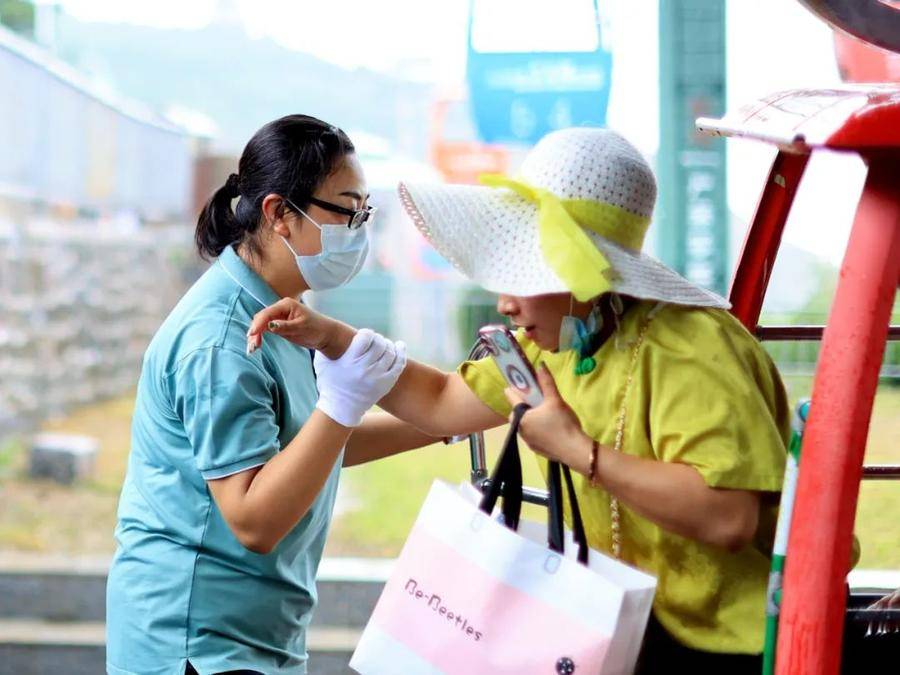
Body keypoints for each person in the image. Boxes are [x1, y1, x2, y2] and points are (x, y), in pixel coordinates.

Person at [249, 127, 791, 673]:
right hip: (625, 626)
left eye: (525, 274)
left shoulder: (691, 350)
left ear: (585, 276)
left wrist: (580, 452)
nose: (504, 303)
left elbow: (728, 517)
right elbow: (441, 402)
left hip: (730, 644)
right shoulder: (555, 339)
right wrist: (332, 337)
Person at [106, 114, 415, 675]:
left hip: (251, 635)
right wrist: (343, 401)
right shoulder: (224, 340)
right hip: (195, 642)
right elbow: (253, 519)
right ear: (279, 214)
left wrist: (443, 419)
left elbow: (307, 448)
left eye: (365, 213)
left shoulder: (278, 313)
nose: (358, 231)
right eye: (347, 211)